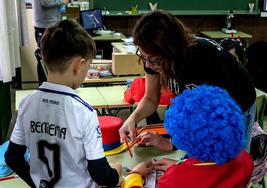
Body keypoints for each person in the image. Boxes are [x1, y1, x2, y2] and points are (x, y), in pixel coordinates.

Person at [5, 19, 121, 188]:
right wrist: (116, 173)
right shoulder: (84, 112)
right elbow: (101, 174)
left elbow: (12, 158)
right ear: (79, 65)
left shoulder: (27, 104)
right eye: (88, 66)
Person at [119, 10, 256, 152]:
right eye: (143, 57)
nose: (148, 65)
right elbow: (150, 99)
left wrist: (172, 144)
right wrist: (132, 120)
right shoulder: (153, 58)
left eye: (154, 60)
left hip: (235, 106)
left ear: (171, 51)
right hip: (206, 112)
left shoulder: (203, 60)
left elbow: (214, 121)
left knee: (231, 161)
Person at [121, 85, 254, 188]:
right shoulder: (245, 160)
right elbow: (210, 172)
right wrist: (181, 166)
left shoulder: (173, 181)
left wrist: (135, 175)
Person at [32, 0, 69, 85]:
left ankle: (51, 85)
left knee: (52, 55)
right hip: (45, 24)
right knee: (44, 56)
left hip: (49, 23)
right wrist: (63, 1)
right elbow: (45, 2)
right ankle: (44, 85)